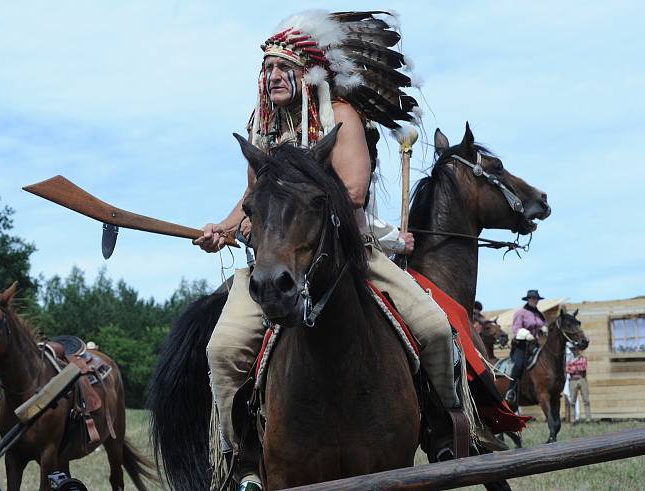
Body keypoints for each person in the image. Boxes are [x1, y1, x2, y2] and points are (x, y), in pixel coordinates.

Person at [193, 11, 460, 489]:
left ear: (307, 73)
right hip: (274, 259)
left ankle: (444, 430)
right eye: (267, 69)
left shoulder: (340, 116)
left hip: (350, 255)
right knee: (223, 347)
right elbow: (253, 198)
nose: (273, 77)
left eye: (283, 68)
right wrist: (225, 226)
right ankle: (242, 460)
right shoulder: (263, 128)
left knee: (435, 327)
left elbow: (353, 191)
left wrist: (303, 193)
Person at [506, 289, 548, 403]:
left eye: (536, 299)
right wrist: (526, 334)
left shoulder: (540, 314)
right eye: (533, 299)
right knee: (519, 365)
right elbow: (516, 329)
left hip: (536, 345)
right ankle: (511, 391)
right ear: (528, 299)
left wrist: (544, 329)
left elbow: (544, 326)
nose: (535, 301)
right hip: (522, 346)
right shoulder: (521, 313)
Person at [566, 346, 591, 423]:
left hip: (582, 379)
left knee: (586, 400)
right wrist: (575, 365)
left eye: (576, 350)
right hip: (572, 380)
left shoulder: (583, 358)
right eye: (573, 350)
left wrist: (573, 366)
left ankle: (588, 418)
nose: (575, 351)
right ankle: (573, 419)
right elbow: (567, 369)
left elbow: (583, 368)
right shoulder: (569, 359)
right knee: (572, 401)